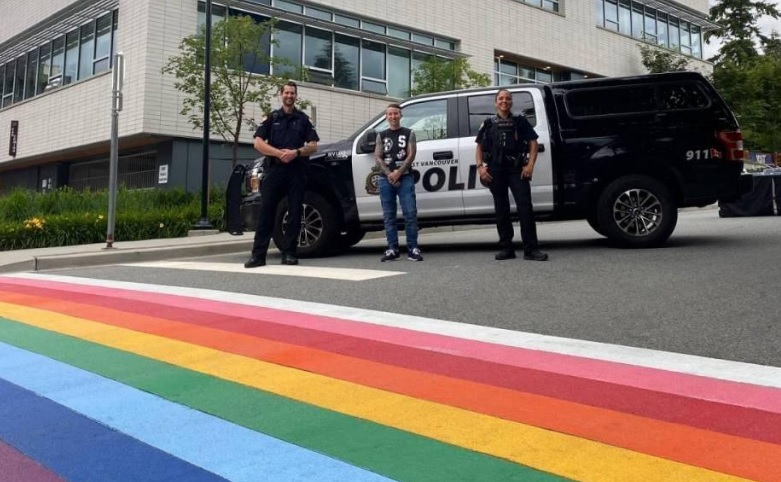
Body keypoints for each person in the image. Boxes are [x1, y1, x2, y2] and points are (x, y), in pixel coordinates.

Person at [245, 81, 319, 268]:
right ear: (281, 95)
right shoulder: (272, 118)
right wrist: (279, 154)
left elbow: (313, 146)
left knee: (295, 213)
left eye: (292, 93)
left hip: (297, 171)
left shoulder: (303, 119)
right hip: (275, 171)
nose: (289, 96)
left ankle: (289, 254)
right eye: (286, 93)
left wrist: (296, 153)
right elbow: (258, 143)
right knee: (266, 212)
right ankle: (258, 256)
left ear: (296, 96)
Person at [475, 89, 548, 261]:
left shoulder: (520, 121)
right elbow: (479, 146)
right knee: (501, 209)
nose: (504, 101)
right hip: (495, 170)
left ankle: (531, 249)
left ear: (511, 102)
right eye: (501, 98)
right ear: (496, 102)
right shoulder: (488, 123)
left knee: (525, 208)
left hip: (517, 169)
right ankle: (506, 248)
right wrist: (480, 168)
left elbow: (533, 143)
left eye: (508, 98)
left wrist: (530, 165)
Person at [374, 103, 423, 262]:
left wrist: (398, 172)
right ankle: (392, 248)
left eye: (396, 113)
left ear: (401, 115)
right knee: (389, 215)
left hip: (405, 176)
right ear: (386, 117)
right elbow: (378, 156)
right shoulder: (381, 135)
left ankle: (413, 248)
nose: (393, 117)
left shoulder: (409, 133)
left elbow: (411, 155)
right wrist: (390, 174)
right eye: (390, 114)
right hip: (385, 178)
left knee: (410, 213)